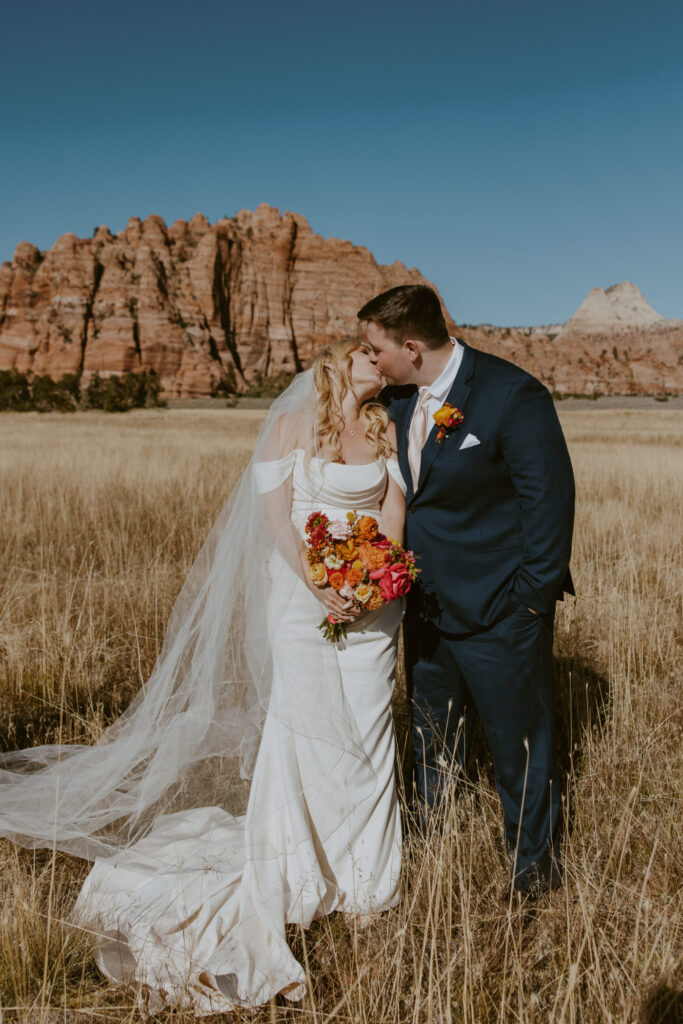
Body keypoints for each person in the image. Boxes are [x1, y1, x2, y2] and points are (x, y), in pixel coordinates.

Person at [0, 339, 408, 1014]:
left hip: (370, 608)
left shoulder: (379, 426)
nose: (379, 360)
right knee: (306, 730)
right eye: (366, 351)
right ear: (340, 364)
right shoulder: (290, 425)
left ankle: (366, 885)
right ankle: (302, 871)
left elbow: (391, 512)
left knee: (368, 734)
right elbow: (275, 517)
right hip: (301, 595)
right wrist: (315, 581)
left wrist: (374, 579)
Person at [358, 284, 575, 895]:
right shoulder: (398, 399)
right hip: (424, 609)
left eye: (377, 350)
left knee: (519, 748)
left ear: (411, 346)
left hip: (502, 611)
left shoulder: (513, 394)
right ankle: (432, 851)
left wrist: (530, 600)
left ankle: (534, 876)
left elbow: (550, 502)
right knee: (431, 735)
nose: (371, 360)